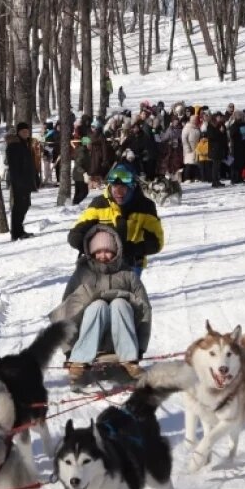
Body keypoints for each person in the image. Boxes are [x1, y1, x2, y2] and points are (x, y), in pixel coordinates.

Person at [51, 225, 151, 387]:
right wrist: (70, 351)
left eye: (107, 250)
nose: (102, 255)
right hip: (88, 340)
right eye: (98, 251)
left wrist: (139, 349)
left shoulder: (128, 275)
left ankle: (128, 361)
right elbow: (67, 312)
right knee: (98, 305)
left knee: (120, 303)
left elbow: (144, 310)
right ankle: (80, 362)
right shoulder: (82, 275)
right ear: (90, 253)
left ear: (116, 250)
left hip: (123, 340)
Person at [67, 162, 164, 277]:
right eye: (115, 188)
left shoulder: (145, 207)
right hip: (101, 263)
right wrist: (92, 247)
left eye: (123, 189)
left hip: (130, 264)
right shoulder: (99, 204)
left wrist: (131, 249)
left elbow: (157, 242)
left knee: (125, 293)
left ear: (132, 186)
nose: (118, 193)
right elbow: (76, 232)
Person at [5, 122, 36, 240]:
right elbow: (14, 166)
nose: (26, 133)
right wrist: (18, 181)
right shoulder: (14, 145)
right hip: (19, 181)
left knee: (25, 205)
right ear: (18, 132)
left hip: (25, 180)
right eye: (23, 131)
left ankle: (19, 230)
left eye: (27, 131)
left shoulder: (24, 144)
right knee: (19, 206)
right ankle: (16, 232)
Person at [71, 135, 91, 205]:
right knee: (84, 192)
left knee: (78, 192)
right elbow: (78, 165)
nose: (91, 145)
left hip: (78, 175)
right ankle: (75, 203)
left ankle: (74, 204)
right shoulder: (82, 152)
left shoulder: (85, 151)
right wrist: (84, 173)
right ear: (86, 144)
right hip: (80, 176)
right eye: (89, 143)